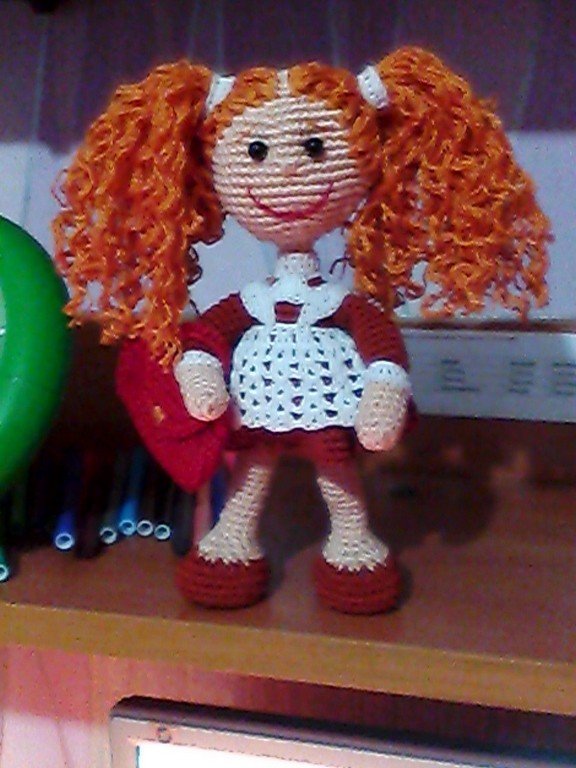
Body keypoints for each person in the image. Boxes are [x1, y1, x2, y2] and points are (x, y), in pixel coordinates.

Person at [53, 47, 550, 613]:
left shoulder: (339, 303)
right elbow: (209, 333)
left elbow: (379, 341)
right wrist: (199, 368)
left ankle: (351, 541)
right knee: (252, 471)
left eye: (314, 148)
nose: (287, 172)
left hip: (328, 405)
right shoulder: (252, 301)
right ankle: (232, 539)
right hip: (257, 405)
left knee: (337, 471)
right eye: (257, 151)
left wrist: (384, 387)